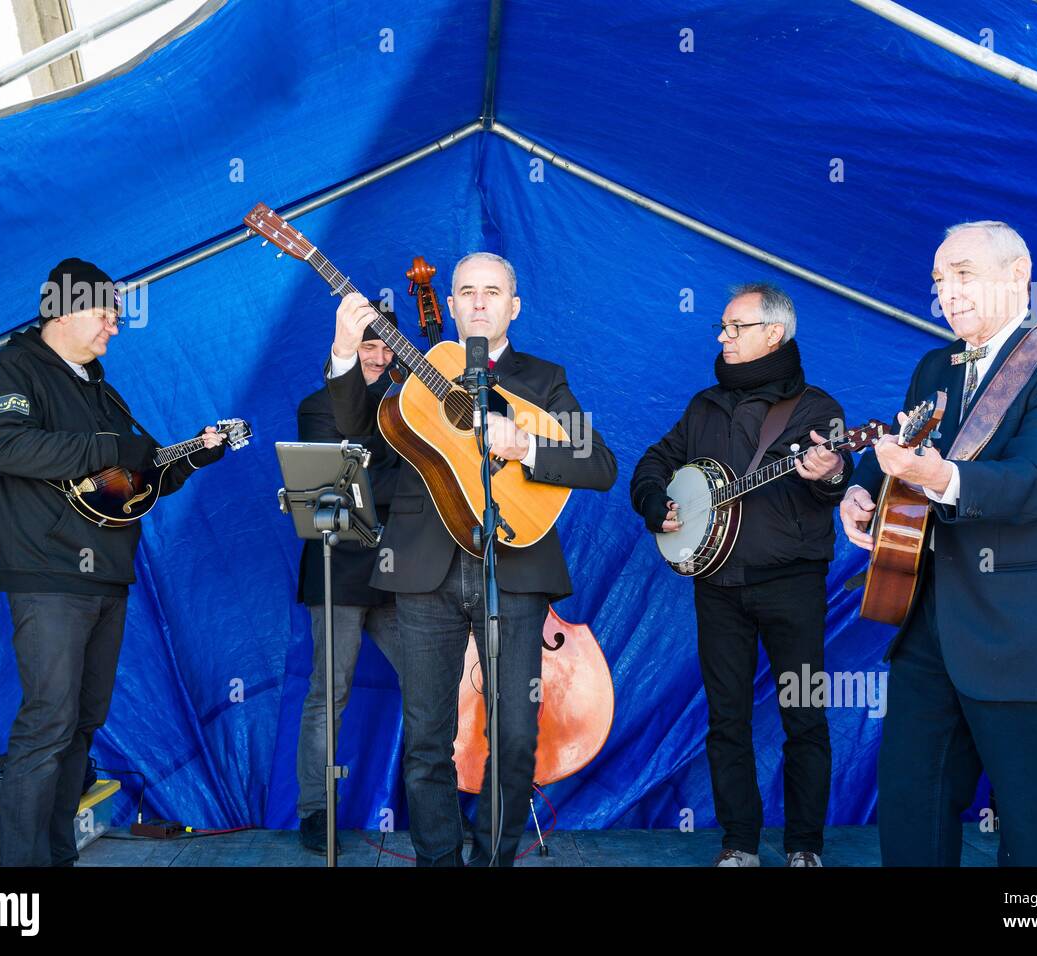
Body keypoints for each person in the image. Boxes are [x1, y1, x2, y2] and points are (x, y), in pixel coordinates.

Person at [840, 221, 1037, 866]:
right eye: (940, 281)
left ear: (1017, 277)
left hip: (1029, 636)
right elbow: (904, 446)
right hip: (928, 628)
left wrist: (936, 476)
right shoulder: (934, 365)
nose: (948, 293)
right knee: (911, 810)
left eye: (964, 275)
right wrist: (859, 489)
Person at [326, 252, 618, 865]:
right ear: (451, 305)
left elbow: (600, 464)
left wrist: (528, 444)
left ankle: (492, 860)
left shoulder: (544, 379)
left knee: (514, 736)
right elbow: (356, 430)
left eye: (493, 291)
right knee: (428, 736)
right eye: (467, 291)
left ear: (514, 306)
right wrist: (346, 354)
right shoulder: (418, 378)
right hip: (423, 571)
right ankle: (438, 861)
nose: (479, 301)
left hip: (514, 565)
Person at [0, 258, 227, 866]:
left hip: (105, 574)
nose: (115, 324)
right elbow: (9, 448)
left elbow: (127, 482)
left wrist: (190, 458)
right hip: (47, 573)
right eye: (105, 312)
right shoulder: (14, 369)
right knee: (49, 723)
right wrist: (110, 446)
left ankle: (56, 858)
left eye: (116, 313)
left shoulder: (99, 387)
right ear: (61, 309)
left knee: (82, 724)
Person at [631, 282, 852, 868]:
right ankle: (739, 843)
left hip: (792, 587)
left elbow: (836, 475)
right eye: (722, 328)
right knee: (726, 719)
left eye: (735, 327)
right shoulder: (704, 405)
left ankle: (805, 846)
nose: (723, 336)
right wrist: (654, 499)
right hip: (718, 590)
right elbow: (654, 460)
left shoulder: (817, 409)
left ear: (773, 335)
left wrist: (829, 471)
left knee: (803, 716)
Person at [294, 301, 402, 856]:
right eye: (368, 344)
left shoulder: (412, 409)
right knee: (328, 692)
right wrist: (400, 482)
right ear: (347, 347)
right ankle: (316, 812)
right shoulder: (317, 407)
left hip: (403, 570)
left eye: (387, 346)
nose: (379, 357)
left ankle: (449, 803)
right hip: (339, 566)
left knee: (439, 685)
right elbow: (348, 482)